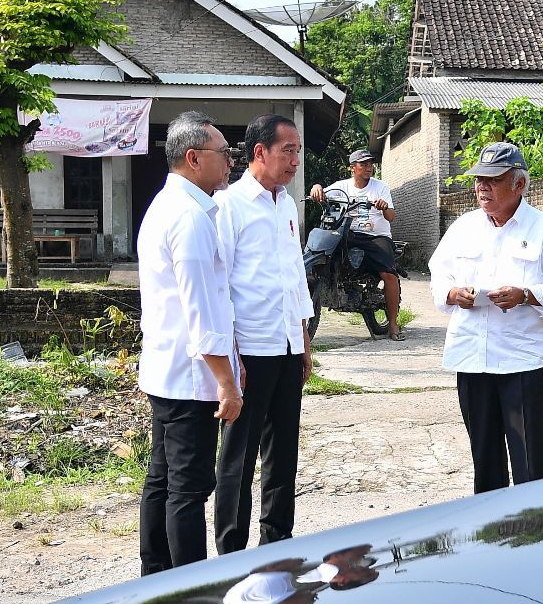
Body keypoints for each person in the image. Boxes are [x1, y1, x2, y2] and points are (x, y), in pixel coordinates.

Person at [428, 142, 543, 493]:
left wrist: (525, 295)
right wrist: (452, 294)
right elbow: (439, 273)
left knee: (529, 452)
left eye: (493, 180)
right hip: (472, 356)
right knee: (484, 452)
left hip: (522, 358)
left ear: (519, 184)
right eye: (479, 179)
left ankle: (539, 526)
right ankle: (491, 530)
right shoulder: (464, 227)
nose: (482, 187)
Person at [136, 111, 243, 575]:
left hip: (167, 370)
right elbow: (201, 311)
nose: (230, 162)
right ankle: (189, 589)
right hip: (189, 377)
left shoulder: (171, 206)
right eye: (224, 153)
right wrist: (228, 382)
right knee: (189, 487)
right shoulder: (189, 218)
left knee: (162, 480)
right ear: (194, 158)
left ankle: (156, 577)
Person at [213, 114, 313, 550]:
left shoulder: (287, 204)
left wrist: (304, 341)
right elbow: (220, 286)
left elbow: (295, 275)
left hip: (287, 344)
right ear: (260, 153)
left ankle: (278, 540)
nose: (295, 161)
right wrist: (230, 358)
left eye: (297, 151)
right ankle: (231, 548)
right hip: (250, 349)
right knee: (238, 454)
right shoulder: (228, 206)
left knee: (283, 452)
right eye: (287, 151)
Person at [310, 149, 404, 341]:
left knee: (388, 274)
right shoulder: (341, 186)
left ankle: (393, 324)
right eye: (364, 164)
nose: (369, 167)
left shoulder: (381, 187)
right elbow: (320, 193)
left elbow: (391, 217)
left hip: (376, 237)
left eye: (370, 164)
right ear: (352, 168)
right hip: (349, 234)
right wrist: (317, 188)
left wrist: (384, 207)